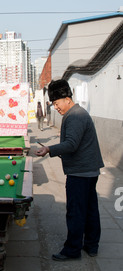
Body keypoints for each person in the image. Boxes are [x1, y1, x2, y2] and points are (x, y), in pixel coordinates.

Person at [36, 79, 104, 261]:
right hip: (88, 170)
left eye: (56, 103)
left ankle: (72, 249)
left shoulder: (75, 116)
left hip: (80, 173)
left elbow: (72, 144)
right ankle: (91, 245)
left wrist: (49, 149)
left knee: (75, 211)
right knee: (90, 209)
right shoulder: (78, 113)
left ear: (67, 98)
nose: (56, 108)